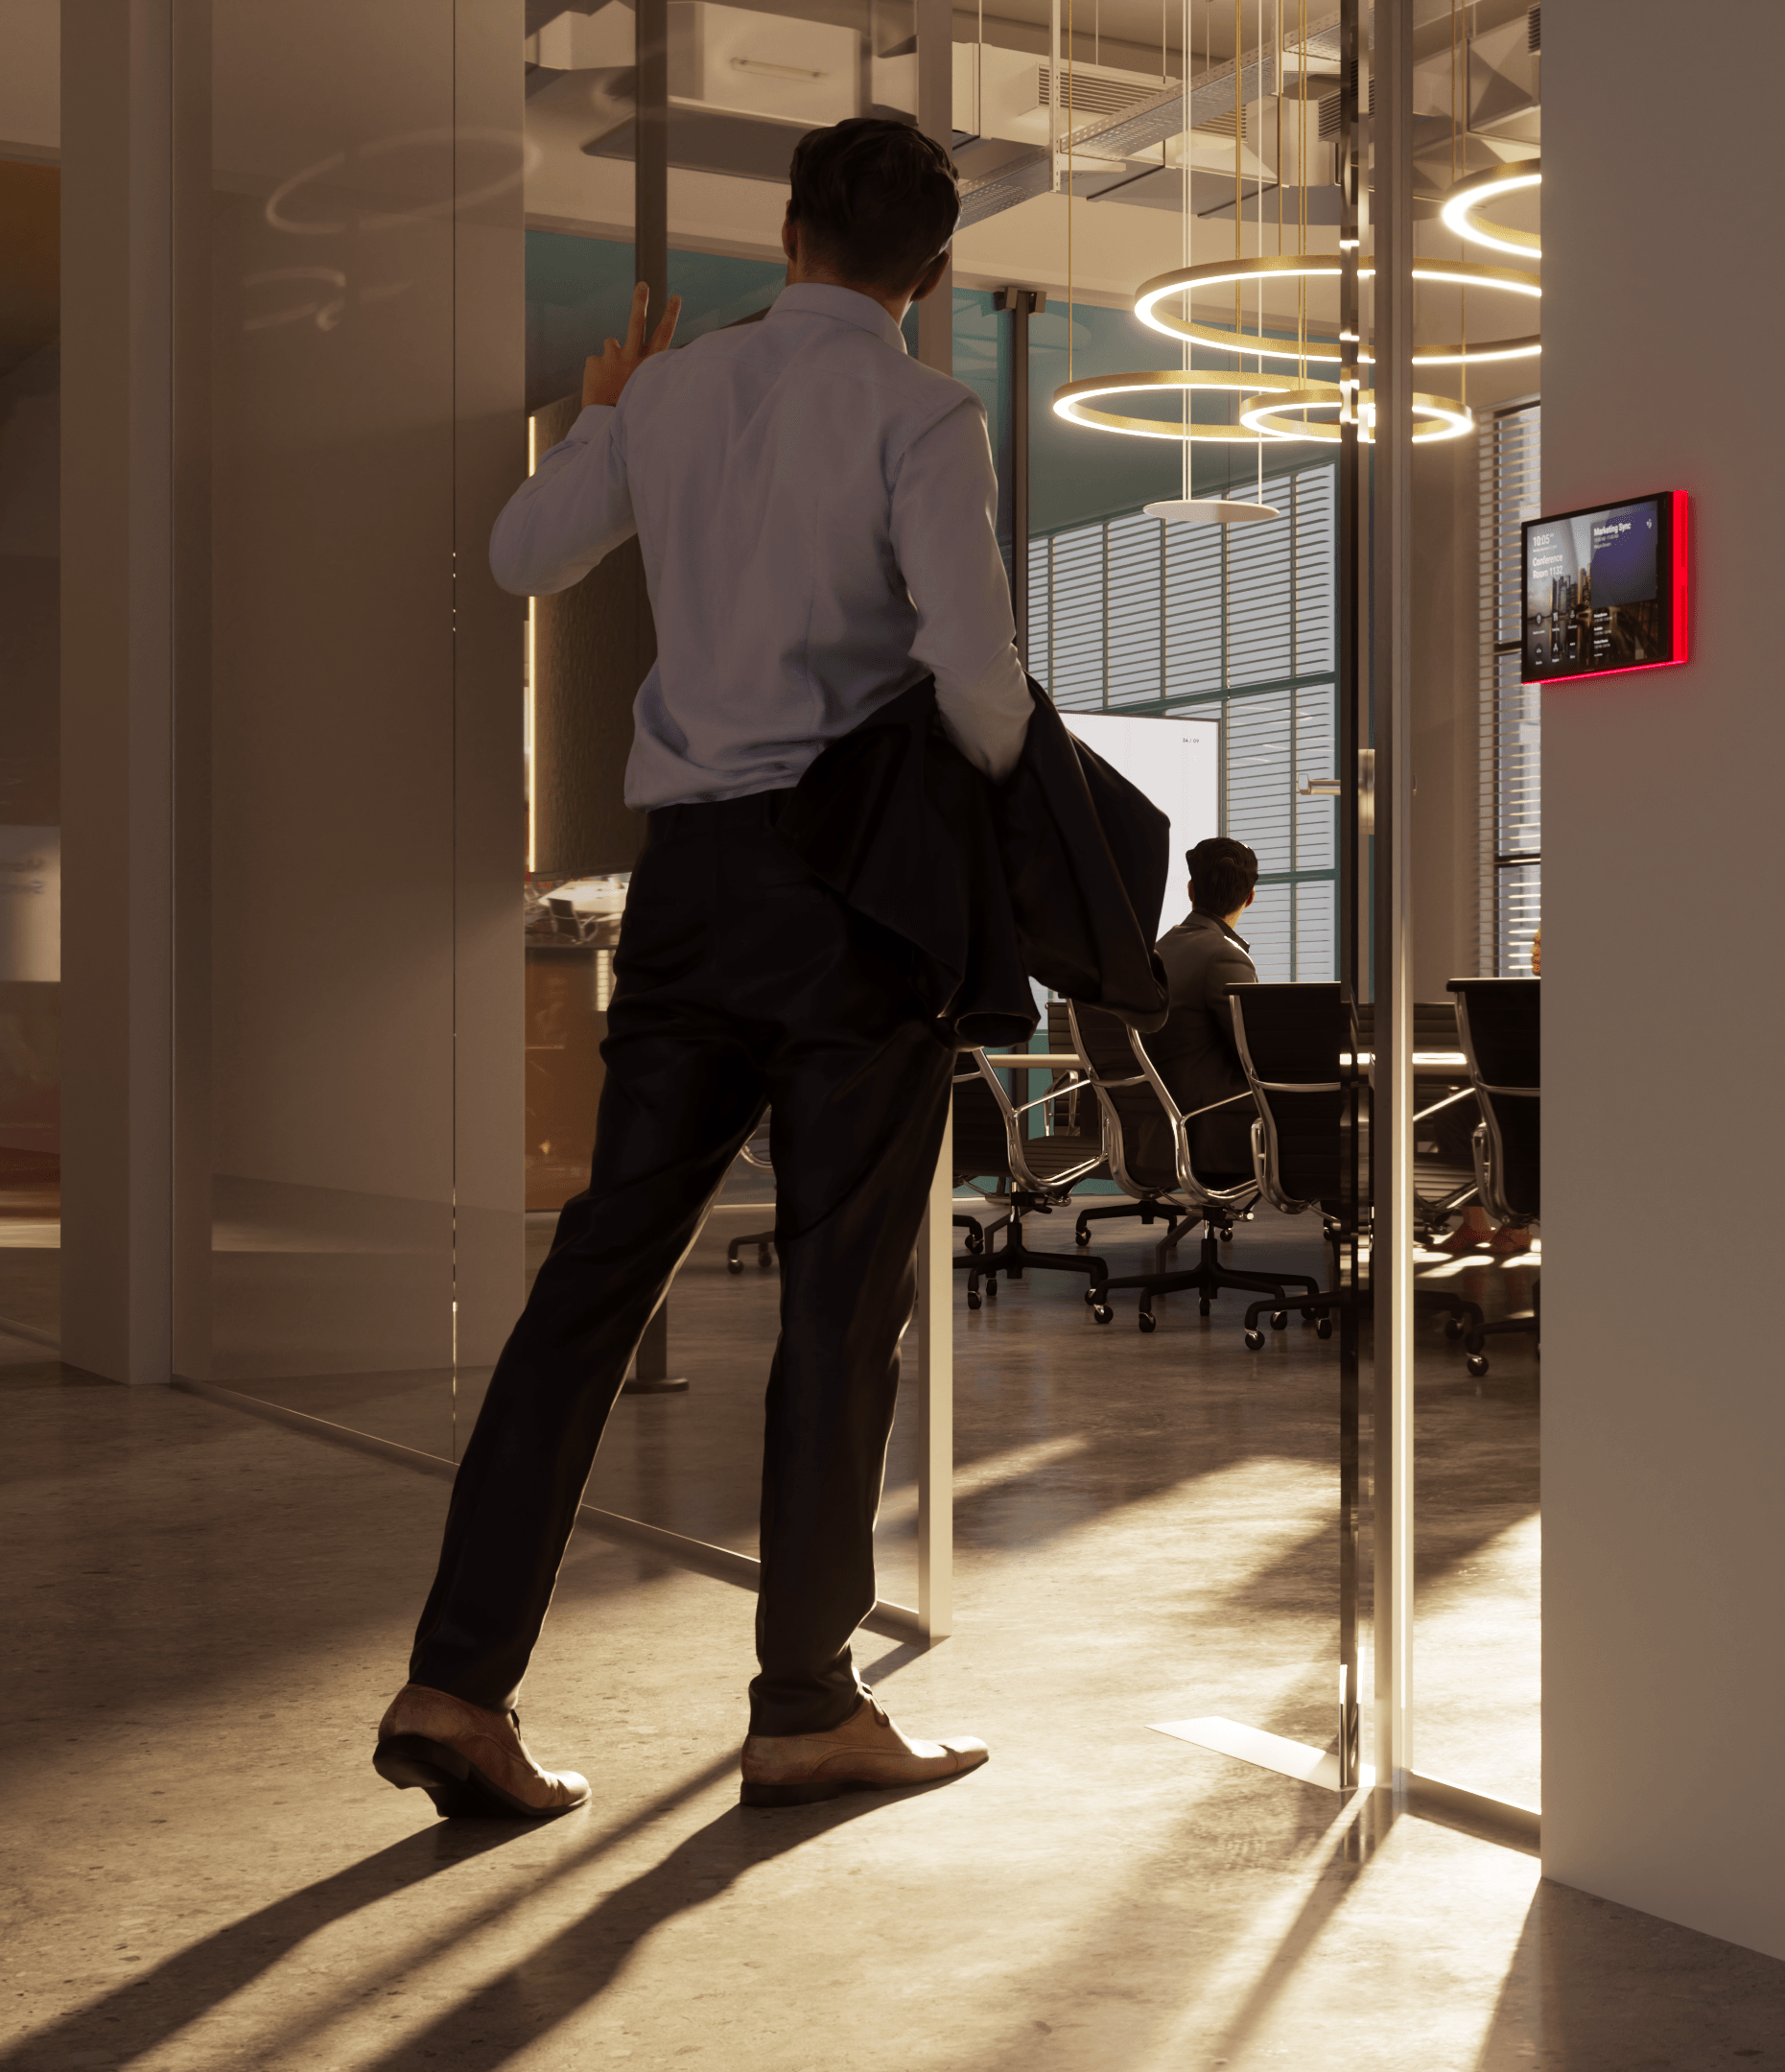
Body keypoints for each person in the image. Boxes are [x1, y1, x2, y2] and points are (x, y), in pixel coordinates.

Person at [371, 117, 1014, 1821]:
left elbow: (520, 558)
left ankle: (456, 1685)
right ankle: (806, 1704)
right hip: (850, 898)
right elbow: (977, 684)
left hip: (688, 891)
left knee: (593, 1285)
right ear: (930, 276)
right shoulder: (925, 410)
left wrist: (606, 412)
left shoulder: (666, 397)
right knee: (836, 1303)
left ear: (789, 236)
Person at [1131, 836, 1263, 1186]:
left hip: (1159, 1128)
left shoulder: (1157, 950)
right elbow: (1256, 1053)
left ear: (1191, 890)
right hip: (1209, 1131)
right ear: (1249, 898)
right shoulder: (1224, 955)